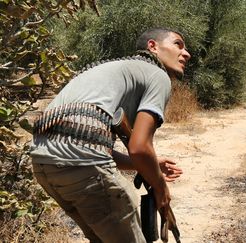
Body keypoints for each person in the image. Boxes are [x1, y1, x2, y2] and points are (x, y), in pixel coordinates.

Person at [30, 28, 190, 243]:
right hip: (83, 166)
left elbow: (86, 143)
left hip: (44, 164)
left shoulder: (107, 69)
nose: (186, 53)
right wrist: (161, 188)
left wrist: (146, 165)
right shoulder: (157, 75)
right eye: (178, 44)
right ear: (153, 46)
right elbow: (139, 147)